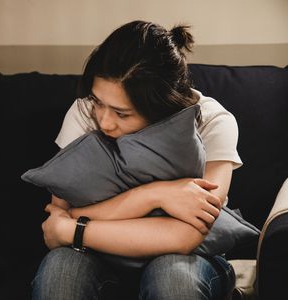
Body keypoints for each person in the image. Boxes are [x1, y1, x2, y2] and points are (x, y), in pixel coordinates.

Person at [31, 20, 242, 300]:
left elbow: (186, 235)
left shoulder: (212, 121)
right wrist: (156, 196)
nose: (104, 122)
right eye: (98, 101)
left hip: (188, 257)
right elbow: (55, 219)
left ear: (162, 105)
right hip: (99, 256)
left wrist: (75, 227)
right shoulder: (84, 112)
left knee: (174, 280)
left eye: (122, 113)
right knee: (59, 275)